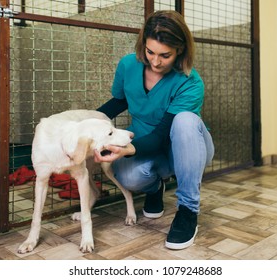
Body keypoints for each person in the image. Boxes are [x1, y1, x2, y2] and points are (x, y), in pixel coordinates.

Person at [94, 10, 214, 250]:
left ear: (180, 50)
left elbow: (161, 136)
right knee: (128, 177)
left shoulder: (190, 82)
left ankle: (188, 210)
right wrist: (85, 123)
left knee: (185, 120)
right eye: (150, 52)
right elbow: (120, 101)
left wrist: (126, 149)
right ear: (143, 45)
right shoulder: (128, 64)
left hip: (185, 144)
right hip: (144, 139)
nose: (156, 62)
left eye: (165, 55)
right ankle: (154, 187)